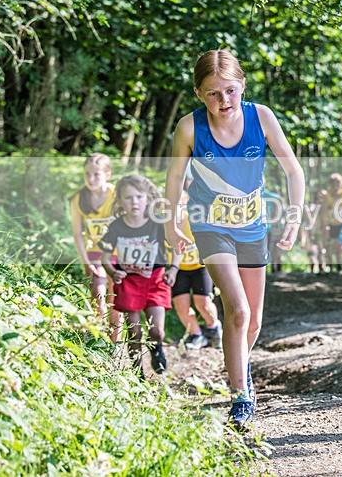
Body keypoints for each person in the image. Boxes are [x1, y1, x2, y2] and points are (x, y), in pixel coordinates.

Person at [165, 49, 304, 431]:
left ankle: (239, 370)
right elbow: (175, 178)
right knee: (237, 310)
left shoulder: (261, 117)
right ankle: (241, 395)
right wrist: (168, 224)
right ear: (199, 94)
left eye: (230, 91)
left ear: (242, 86)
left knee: (254, 318)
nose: (224, 101)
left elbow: (294, 170)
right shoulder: (190, 128)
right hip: (210, 227)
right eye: (213, 94)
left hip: (253, 227)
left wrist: (294, 218)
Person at [99, 174, 176, 377]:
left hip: (156, 279)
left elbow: (177, 246)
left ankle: (157, 348)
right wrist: (112, 271)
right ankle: (137, 374)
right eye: (128, 197)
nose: (134, 202)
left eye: (139, 197)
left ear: (148, 198)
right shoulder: (116, 227)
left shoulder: (158, 224)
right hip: (129, 282)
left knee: (156, 330)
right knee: (134, 333)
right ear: (120, 200)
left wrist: (174, 269)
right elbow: (105, 257)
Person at [69, 153, 123, 343]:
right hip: (95, 253)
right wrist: (85, 260)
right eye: (87, 174)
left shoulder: (117, 195)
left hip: (119, 253)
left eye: (96, 174)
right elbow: (78, 234)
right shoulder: (78, 199)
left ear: (107, 174)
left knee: (116, 301)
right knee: (98, 297)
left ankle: (114, 347)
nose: (91, 179)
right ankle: (98, 342)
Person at [165, 174, 223, 350]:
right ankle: (196, 334)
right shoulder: (166, 222)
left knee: (202, 303)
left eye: (182, 203)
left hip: (200, 266)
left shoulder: (199, 216)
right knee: (181, 307)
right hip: (179, 268)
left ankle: (213, 327)